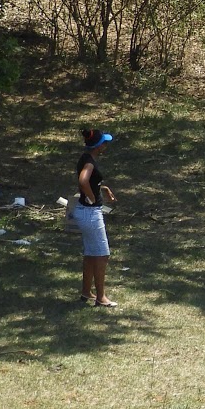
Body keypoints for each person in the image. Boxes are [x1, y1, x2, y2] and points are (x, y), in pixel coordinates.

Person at [75, 128, 117, 307]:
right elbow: (84, 181)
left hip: (84, 212)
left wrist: (103, 189)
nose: (106, 146)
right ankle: (101, 297)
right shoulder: (90, 163)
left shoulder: (85, 158)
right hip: (91, 213)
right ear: (98, 147)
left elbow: (91, 182)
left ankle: (86, 292)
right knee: (102, 254)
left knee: (91, 253)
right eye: (104, 143)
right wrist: (92, 198)